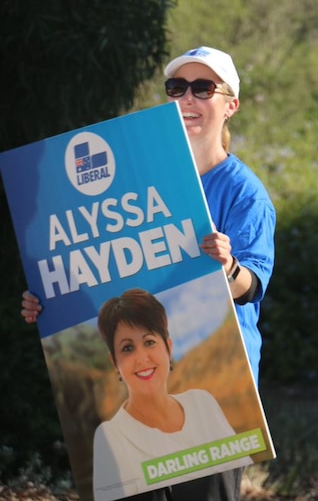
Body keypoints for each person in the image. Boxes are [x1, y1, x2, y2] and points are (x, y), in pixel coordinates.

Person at [22, 46, 276, 500]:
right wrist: (49, 299)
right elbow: (104, 272)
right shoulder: (134, 182)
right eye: (177, 88)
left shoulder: (245, 193)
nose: (188, 99)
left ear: (230, 104)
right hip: (135, 409)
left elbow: (250, 287)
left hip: (220, 381)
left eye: (203, 88)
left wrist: (228, 265)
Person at [91, 289, 249, 501]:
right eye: (127, 348)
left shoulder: (202, 404)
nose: (142, 358)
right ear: (115, 364)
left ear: (168, 347)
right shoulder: (110, 436)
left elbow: (230, 483)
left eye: (149, 342)